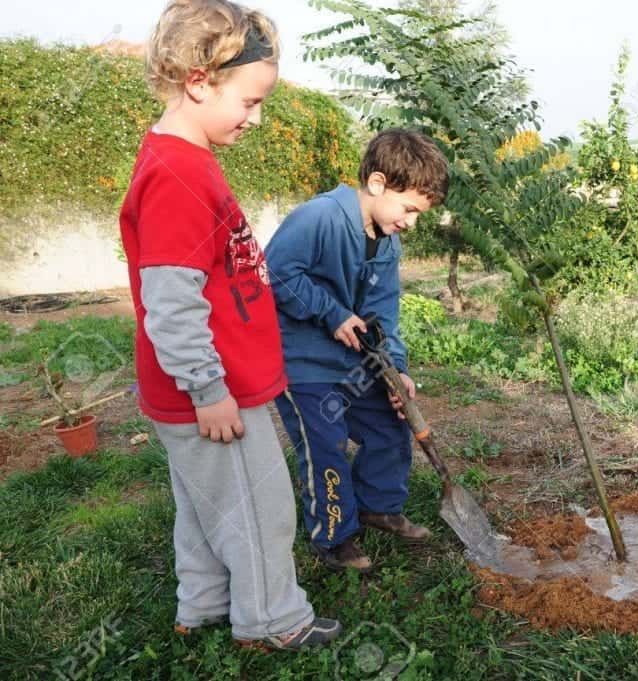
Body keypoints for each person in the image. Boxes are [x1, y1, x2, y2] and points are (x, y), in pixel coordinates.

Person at [119, 0, 340, 651]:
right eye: (248, 101)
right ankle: (274, 620)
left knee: (205, 505)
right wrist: (208, 388)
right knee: (259, 509)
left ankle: (205, 604)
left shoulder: (183, 157)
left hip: (201, 391)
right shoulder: (175, 174)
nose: (257, 117)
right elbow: (171, 302)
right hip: (212, 393)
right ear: (198, 81)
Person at [265, 129, 449, 573]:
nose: (411, 222)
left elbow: (383, 314)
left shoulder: (387, 241)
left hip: (353, 363)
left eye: (419, 214)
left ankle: (377, 506)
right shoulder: (320, 217)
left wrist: (396, 370)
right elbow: (274, 272)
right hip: (303, 364)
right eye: (409, 209)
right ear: (378, 184)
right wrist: (331, 313)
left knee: (389, 423)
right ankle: (334, 536)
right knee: (325, 446)